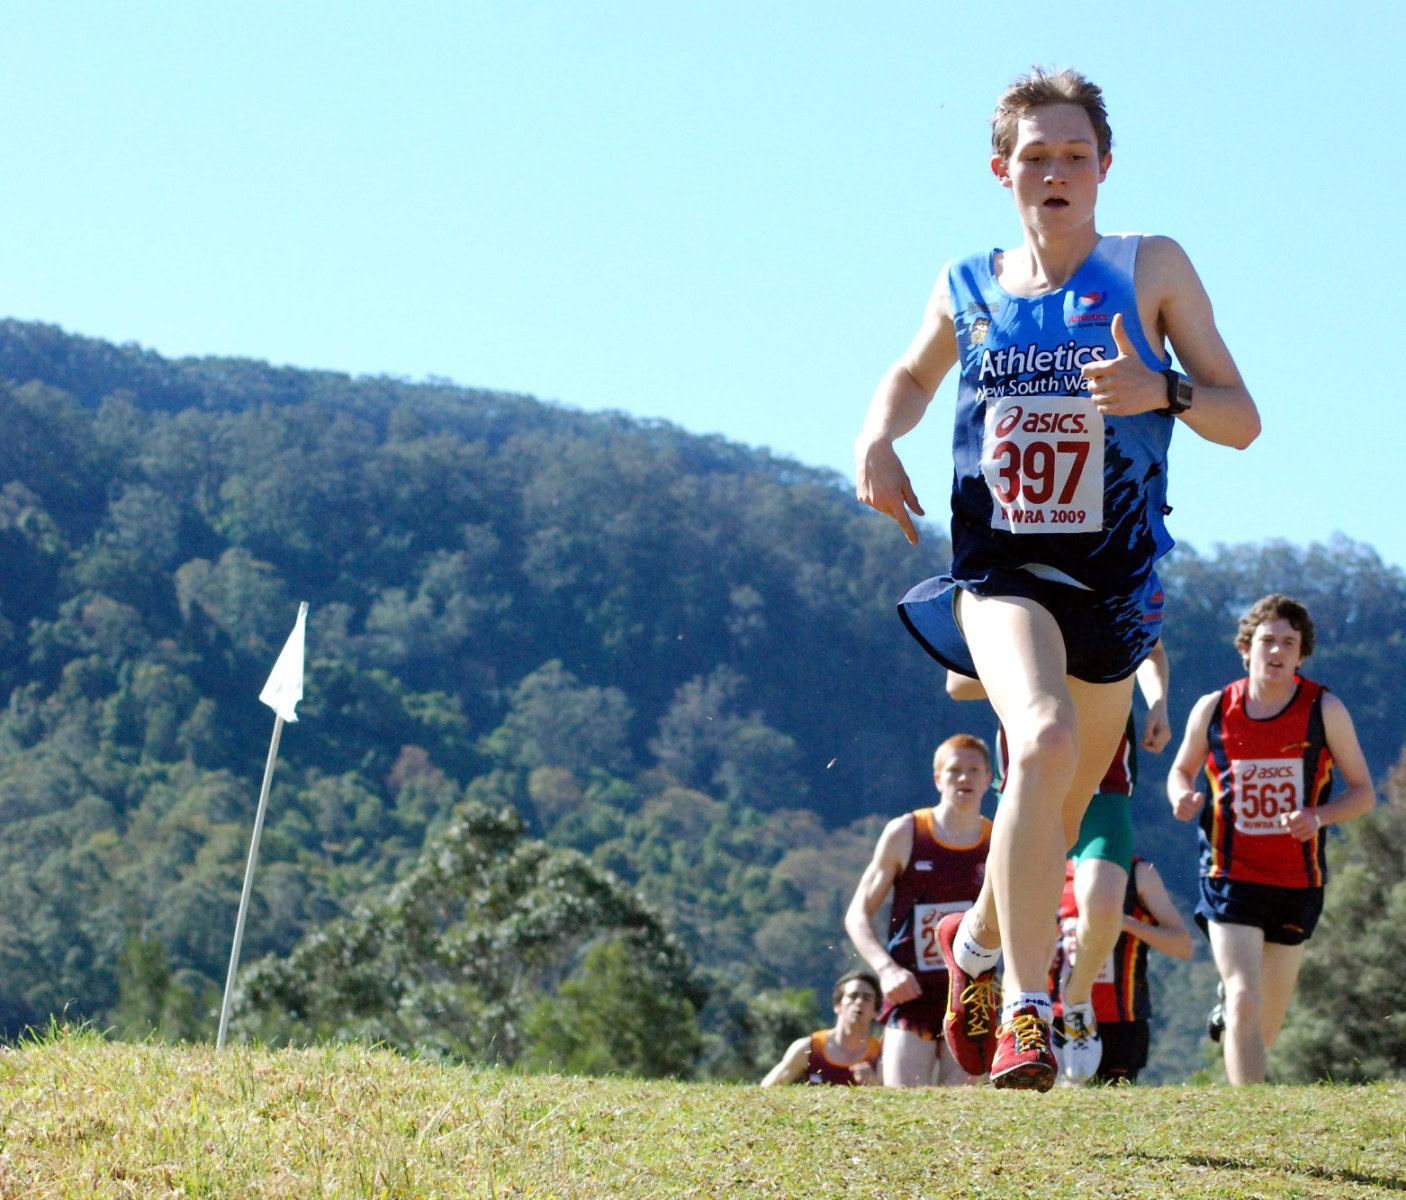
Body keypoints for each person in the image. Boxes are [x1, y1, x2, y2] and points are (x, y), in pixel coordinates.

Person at [853, 64, 1259, 1090]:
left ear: (1103, 168)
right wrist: (875, 437)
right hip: (999, 572)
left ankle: (979, 946)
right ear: (1002, 171)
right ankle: (1029, 1013)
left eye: (1074, 154)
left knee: (1057, 795)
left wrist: (1156, 388)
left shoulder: (1149, 266)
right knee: (1035, 738)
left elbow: (1239, 417)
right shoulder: (968, 283)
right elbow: (909, 373)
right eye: (1035, 156)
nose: (1056, 172)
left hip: (1113, 589)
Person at [1167, 593, 1374, 1084]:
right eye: (1266, 641)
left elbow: (1364, 792)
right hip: (1228, 874)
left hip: (1296, 881)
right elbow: (1181, 770)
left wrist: (1319, 816)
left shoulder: (1324, 709)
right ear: (1245, 648)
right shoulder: (1214, 708)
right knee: (1242, 998)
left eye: (1288, 642)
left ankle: (1244, 1060)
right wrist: (1182, 796)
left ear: (1301, 654)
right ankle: (1249, 1119)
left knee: (1267, 1026)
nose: (1276, 651)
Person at [948, 637, 1171, 1082]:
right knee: (1017, 912)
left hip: (1103, 783)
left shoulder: (1111, 579)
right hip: (1030, 781)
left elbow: (1151, 647)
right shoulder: (1012, 594)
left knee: (1105, 903)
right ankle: (1004, 989)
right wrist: (1034, 664)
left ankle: (1077, 999)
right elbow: (958, 684)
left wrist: (1159, 703)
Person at [844, 734, 993, 1086]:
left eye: (974, 770)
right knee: (902, 1100)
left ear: (989, 779)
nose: (964, 778)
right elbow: (857, 914)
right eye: (954, 770)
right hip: (911, 991)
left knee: (967, 1110)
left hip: (972, 992)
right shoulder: (906, 833)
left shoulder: (998, 840)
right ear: (937, 778)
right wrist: (886, 970)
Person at [1050, 854, 1193, 1084]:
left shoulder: (1139, 874)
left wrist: (1125, 923)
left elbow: (1183, 946)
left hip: (1122, 1023)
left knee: (1113, 1108)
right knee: (1063, 1105)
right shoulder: (1055, 872)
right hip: (1062, 1018)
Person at [761, 970, 883, 1086]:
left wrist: (875, 1085)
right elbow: (766, 1090)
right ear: (837, 1005)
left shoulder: (881, 1056)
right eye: (853, 996)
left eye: (867, 998)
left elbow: (894, 1100)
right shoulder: (809, 1048)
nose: (859, 1002)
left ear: (876, 1012)